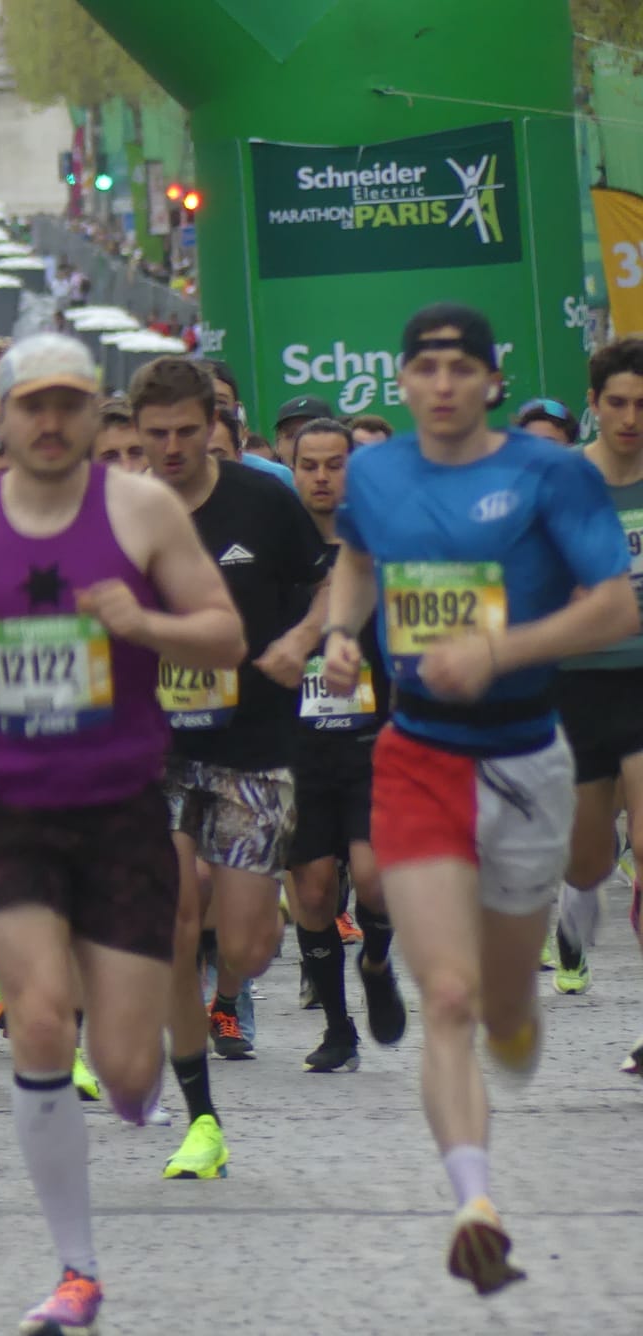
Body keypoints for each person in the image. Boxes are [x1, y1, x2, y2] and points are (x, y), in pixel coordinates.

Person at [0, 333, 244, 1335]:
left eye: (67, 404)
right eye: (29, 404)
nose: (47, 422)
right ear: (0, 416)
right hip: (8, 805)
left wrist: (142, 623)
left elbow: (223, 634)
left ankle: (136, 1079)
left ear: (93, 413)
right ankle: (74, 1270)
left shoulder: (141, 510)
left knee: (126, 1076)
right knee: (39, 1017)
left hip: (121, 806)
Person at [320, 302, 636, 1294]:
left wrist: (497, 649)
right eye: (426, 368)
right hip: (414, 754)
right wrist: (338, 631)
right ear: (402, 383)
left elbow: (614, 603)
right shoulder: (372, 473)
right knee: (445, 995)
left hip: (526, 755)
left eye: (463, 368)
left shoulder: (550, 475)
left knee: (503, 1004)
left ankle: (519, 1014)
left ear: (490, 382)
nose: (444, 384)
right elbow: (359, 559)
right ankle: (473, 1202)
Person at [132, 354, 329, 1180]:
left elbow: (332, 581)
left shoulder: (264, 499)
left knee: (244, 944)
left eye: (188, 431)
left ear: (214, 423)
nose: (173, 448)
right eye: (156, 436)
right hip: (157, 747)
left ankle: (229, 971)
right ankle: (201, 1117)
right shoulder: (121, 515)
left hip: (253, 741)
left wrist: (301, 637)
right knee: (176, 922)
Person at [287, 418, 407, 1072]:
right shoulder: (278, 542)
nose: (324, 477)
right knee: (310, 890)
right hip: (299, 744)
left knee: (373, 877)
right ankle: (338, 1030)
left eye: (337, 464)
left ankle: (378, 960)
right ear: (293, 466)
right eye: (311, 464)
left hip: (372, 738)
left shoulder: (379, 544)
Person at [553, 339, 643, 1000]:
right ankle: (574, 904)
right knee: (587, 860)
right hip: (577, 685)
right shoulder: (560, 482)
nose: (631, 417)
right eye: (617, 402)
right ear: (594, 404)